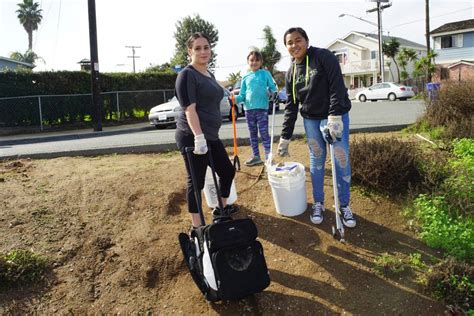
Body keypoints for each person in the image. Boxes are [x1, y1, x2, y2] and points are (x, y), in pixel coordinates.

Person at [277, 27, 356, 228]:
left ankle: (344, 205)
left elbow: (337, 85)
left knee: (341, 159)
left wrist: (335, 115)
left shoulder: (323, 57)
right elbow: (291, 106)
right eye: (290, 42)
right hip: (311, 121)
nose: (294, 45)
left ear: (306, 40)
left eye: (298, 40)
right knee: (317, 161)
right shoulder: (291, 73)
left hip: (334, 116)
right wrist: (285, 137)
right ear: (286, 47)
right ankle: (319, 203)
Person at [175, 32, 236, 228]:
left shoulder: (209, 74)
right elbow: (190, 109)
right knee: (196, 182)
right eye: (198, 48)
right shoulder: (187, 75)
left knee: (227, 172)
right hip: (192, 136)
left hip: (211, 136)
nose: (203, 52)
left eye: (206, 47)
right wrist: (198, 138)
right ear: (190, 51)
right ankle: (198, 227)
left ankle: (221, 209)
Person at [235, 51, 278, 166]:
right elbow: (242, 95)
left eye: (257, 60)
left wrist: (273, 93)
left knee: (264, 134)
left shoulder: (265, 74)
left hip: (262, 109)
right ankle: (256, 156)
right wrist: (235, 99)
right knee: (252, 134)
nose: (254, 62)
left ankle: (269, 157)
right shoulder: (245, 77)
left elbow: (273, 88)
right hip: (248, 110)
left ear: (261, 62)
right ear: (248, 62)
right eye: (252, 60)